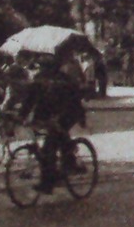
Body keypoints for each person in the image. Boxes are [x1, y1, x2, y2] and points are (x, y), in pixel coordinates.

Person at [19, 56, 88, 194]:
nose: (42, 70)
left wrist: (60, 118)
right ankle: (65, 161)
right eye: (41, 67)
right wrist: (21, 116)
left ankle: (49, 182)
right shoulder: (39, 80)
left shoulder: (63, 80)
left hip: (68, 113)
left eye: (45, 67)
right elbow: (30, 100)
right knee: (53, 141)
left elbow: (72, 101)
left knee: (49, 145)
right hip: (51, 115)